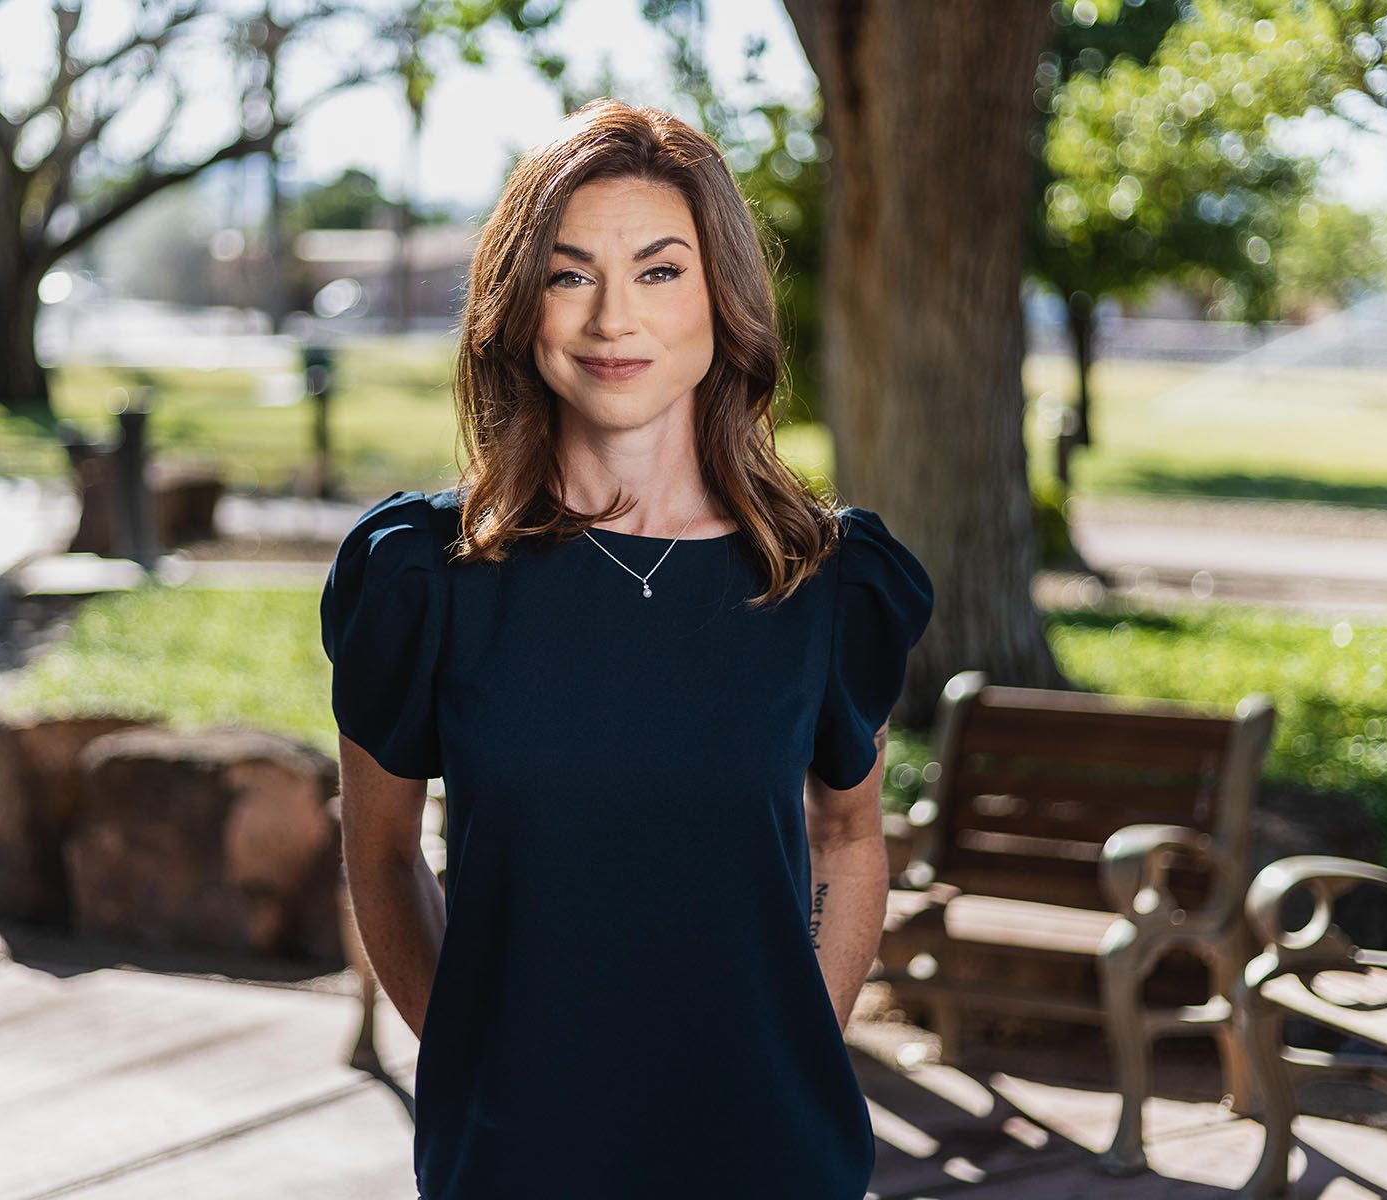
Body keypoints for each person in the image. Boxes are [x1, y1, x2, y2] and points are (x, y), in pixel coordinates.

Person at [322, 97, 935, 1200]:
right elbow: (381, 851)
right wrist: (468, 1056)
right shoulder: (424, 576)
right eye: (569, 275)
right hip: (514, 1154)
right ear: (520, 306)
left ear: (722, 300)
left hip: (771, 1154)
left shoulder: (825, 580)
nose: (614, 319)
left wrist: (795, 1045)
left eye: (659, 272)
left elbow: (849, 840)